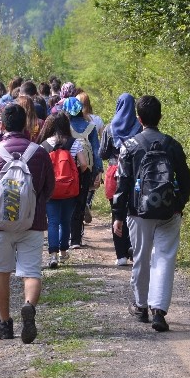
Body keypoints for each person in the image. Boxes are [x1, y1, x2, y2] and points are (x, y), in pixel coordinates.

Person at [112, 95, 190, 331]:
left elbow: (123, 184)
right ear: (161, 116)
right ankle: (159, 311)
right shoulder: (172, 145)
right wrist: (179, 204)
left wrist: (118, 214)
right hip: (169, 210)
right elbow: (186, 180)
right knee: (164, 259)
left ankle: (141, 306)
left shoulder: (129, 146)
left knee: (141, 257)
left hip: (138, 211)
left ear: (139, 119)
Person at [0, 104, 54, 343]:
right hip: (32, 222)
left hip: (1, 224)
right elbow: (49, 187)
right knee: (31, 272)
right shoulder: (39, 153)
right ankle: (29, 305)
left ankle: (4, 325)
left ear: (1, 124)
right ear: (25, 124)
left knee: (1, 272)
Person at [36, 112, 88, 269]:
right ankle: (63, 252)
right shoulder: (74, 143)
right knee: (65, 221)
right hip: (69, 188)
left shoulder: (44, 145)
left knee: (52, 221)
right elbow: (84, 164)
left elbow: (39, 166)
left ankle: (52, 255)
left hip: (51, 189)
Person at [100, 93, 142, 266]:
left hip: (114, 171)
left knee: (116, 212)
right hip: (134, 173)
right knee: (133, 210)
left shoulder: (109, 128)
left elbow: (102, 153)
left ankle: (120, 255)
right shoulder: (139, 128)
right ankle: (133, 249)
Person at [63, 97, 103, 250]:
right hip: (86, 169)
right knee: (81, 201)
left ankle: (66, 237)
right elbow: (96, 150)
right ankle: (76, 239)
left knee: (68, 202)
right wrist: (98, 171)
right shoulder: (91, 127)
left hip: (68, 168)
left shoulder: (65, 127)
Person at [77, 91, 104, 224]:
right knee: (91, 183)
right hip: (92, 155)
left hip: (77, 155)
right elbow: (102, 138)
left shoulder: (75, 121)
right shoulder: (96, 119)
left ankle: (81, 204)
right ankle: (87, 202)